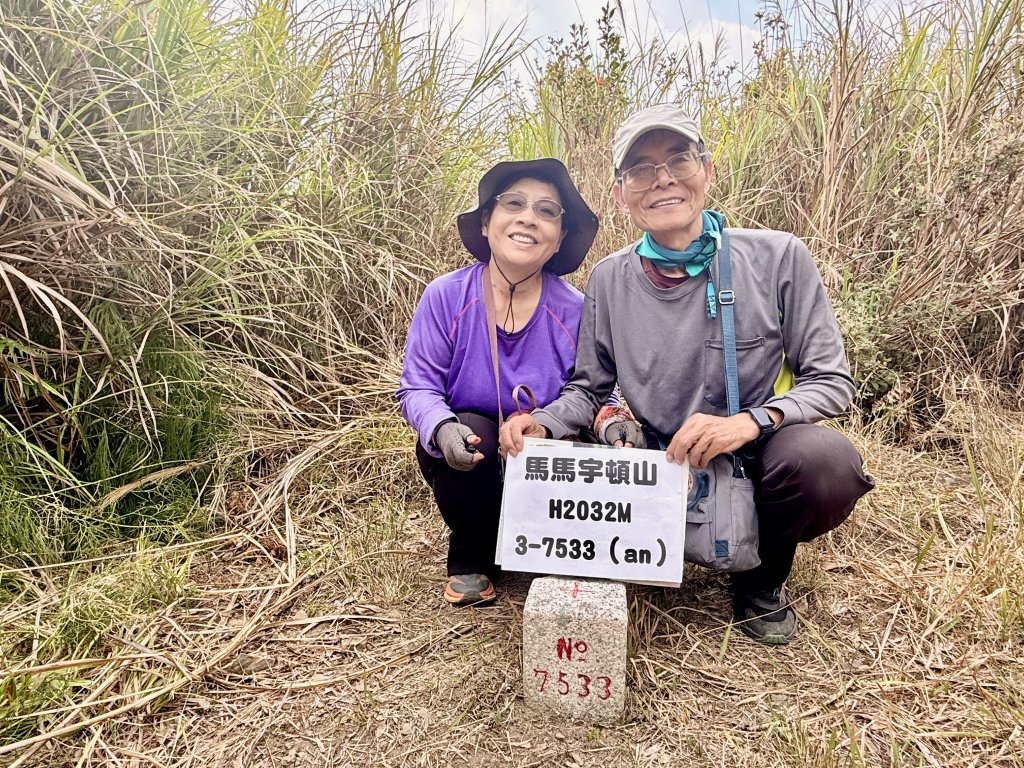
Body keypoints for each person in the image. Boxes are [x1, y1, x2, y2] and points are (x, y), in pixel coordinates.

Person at [500, 104, 875, 644]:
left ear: (707, 169)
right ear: (620, 193)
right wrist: (543, 423)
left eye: (679, 159)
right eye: (641, 169)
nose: (663, 179)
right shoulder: (609, 279)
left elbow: (831, 381)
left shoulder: (778, 257)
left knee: (824, 463)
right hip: (663, 450)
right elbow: (588, 388)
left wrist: (751, 422)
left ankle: (759, 581)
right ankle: (650, 548)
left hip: (759, 441)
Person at [397, 158, 606, 606]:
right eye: (513, 203)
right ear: (488, 222)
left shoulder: (577, 310)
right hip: (475, 457)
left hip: (546, 453)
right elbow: (417, 387)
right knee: (469, 426)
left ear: (559, 241)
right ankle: (473, 555)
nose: (528, 217)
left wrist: (545, 423)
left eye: (547, 211)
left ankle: (548, 546)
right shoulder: (445, 296)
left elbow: (593, 391)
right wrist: (440, 427)